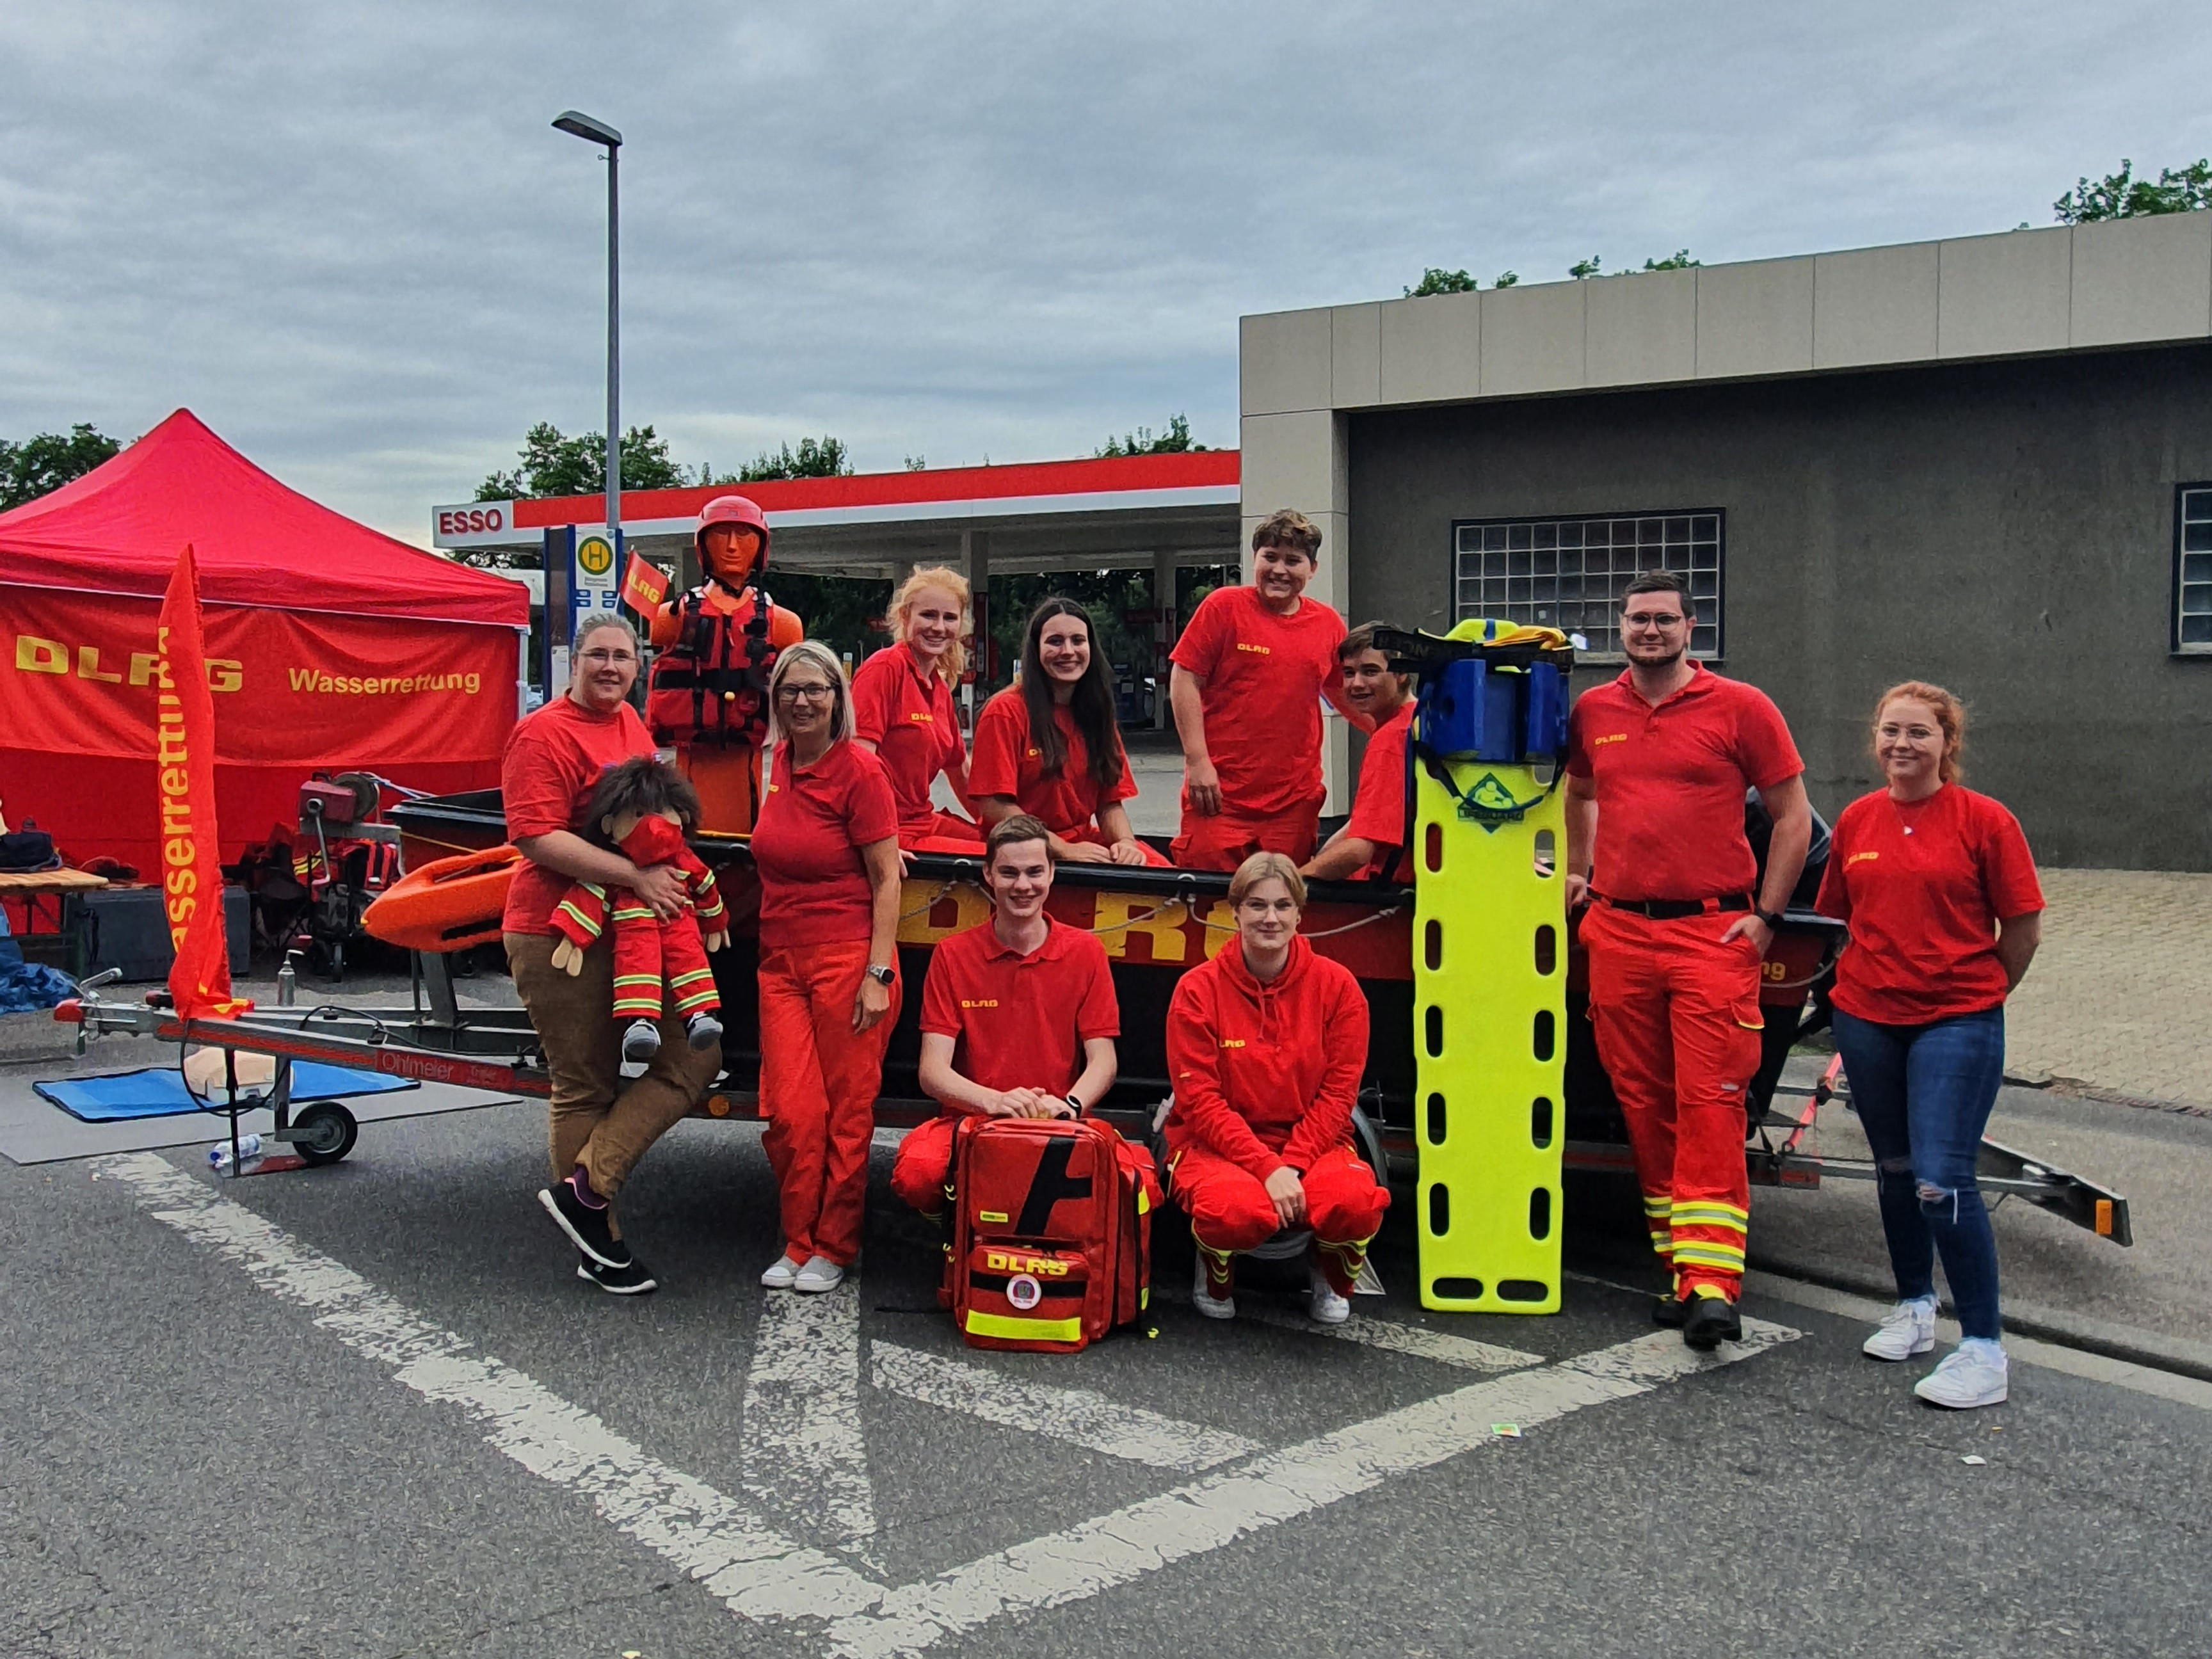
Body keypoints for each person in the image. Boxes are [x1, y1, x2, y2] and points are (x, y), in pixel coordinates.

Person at [1563, 570, 1811, 1350]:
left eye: (1665, 620)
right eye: (1637, 620)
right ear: (1621, 628)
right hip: (1620, 932)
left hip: (1712, 933)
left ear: (1691, 628)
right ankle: (1680, 1269)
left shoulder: (1743, 708)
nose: (1650, 631)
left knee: (1710, 1105)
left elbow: (1794, 817)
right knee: (1643, 1101)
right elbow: (1579, 793)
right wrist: (1581, 869)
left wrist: (1767, 918)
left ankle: (1713, 1284)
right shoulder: (1594, 710)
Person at [1816, 683, 2042, 1409]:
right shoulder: (1857, 819)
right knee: (1894, 1167)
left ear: (1948, 742)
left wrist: (1978, 995)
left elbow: (2023, 929)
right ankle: (1915, 1306)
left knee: (1943, 1178)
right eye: (1890, 732)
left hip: (1958, 1019)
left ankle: (1982, 1349)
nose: (1902, 745)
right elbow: (1840, 918)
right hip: (1868, 1017)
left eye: (1919, 733)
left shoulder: (1985, 821)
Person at [505, 613, 721, 1297]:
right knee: (586, 1085)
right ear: (573, 662)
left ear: (639, 665)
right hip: (556, 929)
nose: (610, 667)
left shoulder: (630, 726)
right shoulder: (541, 734)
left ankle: (584, 1196)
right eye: (597, 655)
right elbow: (536, 837)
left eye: (622, 657)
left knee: (695, 1055)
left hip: (631, 928)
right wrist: (635, 878)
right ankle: (600, 1243)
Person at [1164, 853, 1389, 1325]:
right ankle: (1215, 1269)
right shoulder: (1196, 990)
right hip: (1216, 1147)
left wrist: (1292, 1164)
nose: (1270, 918)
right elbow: (1199, 1103)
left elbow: (1338, 1097)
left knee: (1354, 1201)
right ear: (1235, 911)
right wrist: (1267, 1168)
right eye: (1257, 905)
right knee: (1231, 1209)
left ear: (1300, 914)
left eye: (1283, 906)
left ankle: (1329, 1272)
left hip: (1313, 1144)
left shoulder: (1339, 988)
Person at [749, 639, 903, 1294]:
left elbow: (886, 879)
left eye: (817, 689)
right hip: (780, 961)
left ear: (839, 700)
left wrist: (878, 973)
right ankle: (797, 1238)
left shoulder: (861, 773)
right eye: (791, 690)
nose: (802, 700)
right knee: (790, 1112)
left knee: (846, 1111)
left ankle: (833, 1245)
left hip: (848, 958)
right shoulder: (777, 762)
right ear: (776, 700)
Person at [892, 813, 1121, 1226]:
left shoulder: (1087, 952)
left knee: (1131, 1183)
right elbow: (932, 1071)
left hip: (1057, 1122)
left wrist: (1069, 1106)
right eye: (1009, 872)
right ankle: (954, 1223)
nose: (1023, 885)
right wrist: (994, 1102)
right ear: (988, 875)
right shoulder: (953, 954)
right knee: (917, 1175)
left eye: (1035, 872)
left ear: (1052, 873)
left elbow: (1103, 1060)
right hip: (970, 1120)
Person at [1168, 509, 1366, 871]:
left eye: (1293, 561)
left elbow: (1347, 695)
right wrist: (1198, 762)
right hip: (1219, 796)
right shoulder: (1223, 607)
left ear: (1313, 569)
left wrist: (1400, 733)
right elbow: (1185, 679)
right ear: (1254, 559)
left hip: (1293, 801)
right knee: (1207, 904)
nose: (1280, 570)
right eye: (1270, 557)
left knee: (1283, 906)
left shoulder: (1328, 625)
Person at [646, 494, 805, 833]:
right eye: (721, 534)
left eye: (744, 535)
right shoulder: (671, 618)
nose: (732, 546)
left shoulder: (785, 624)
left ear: (760, 547)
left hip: (746, 764)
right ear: (703, 546)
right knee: (690, 840)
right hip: (691, 762)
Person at [968, 598, 1168, 866]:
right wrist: (1060, 848)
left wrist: (1126, 844)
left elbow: (1109, 803)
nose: (1068, 651)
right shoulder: (1005, 711)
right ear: (1035, 649)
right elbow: (994, 807)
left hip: (1083, 842)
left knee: (1164, 878)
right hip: (1020, 849)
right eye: (1055, 641)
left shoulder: (1096, 712)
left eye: (1077, 640)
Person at [852, 566, 984, 851]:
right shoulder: (885, 669)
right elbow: (858, 763)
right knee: (996, 862)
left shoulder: (939, 687)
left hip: (922, 820)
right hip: (888, 830)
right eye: (928, 615)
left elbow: (960, 772)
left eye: (949, 618)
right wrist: (878, 844)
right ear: (905, 616)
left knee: (1012, 851)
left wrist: (1004, 828)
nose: (939, 627)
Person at [1303, 622, 1415, 882]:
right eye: (1349, 673)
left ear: (1402, 674)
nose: (1356, 684)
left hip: (1391, 898)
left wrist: (1290, 883)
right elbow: (1362, 824)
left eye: (1371, 671)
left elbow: (1360, 850)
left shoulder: (1392, 738)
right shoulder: (1417, 721)